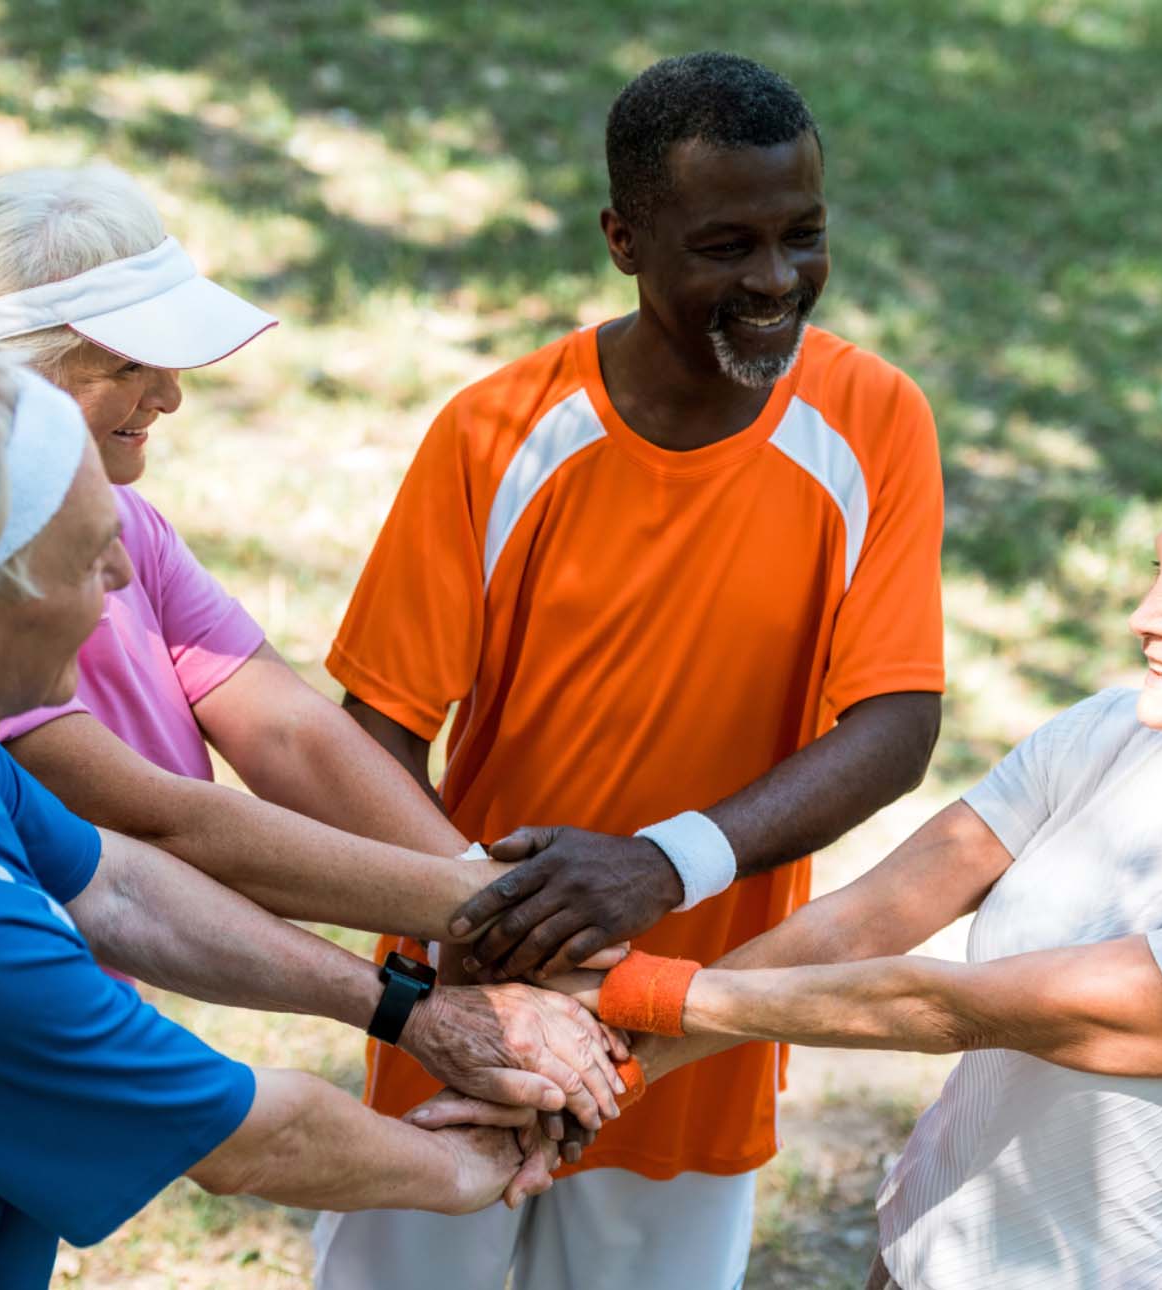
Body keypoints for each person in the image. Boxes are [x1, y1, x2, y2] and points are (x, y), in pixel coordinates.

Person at [0, 343, 589, 1289]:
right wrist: (483, 1166)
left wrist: (404, 1011)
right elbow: (252, 1140)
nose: (123, 581)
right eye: (90, 559)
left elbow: (117, 886)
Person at [316, 51, 946, 1288]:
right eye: (725, 245)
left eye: (803, 235)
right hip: (473, 1008)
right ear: (624, 237)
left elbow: (896, 722)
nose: (776, 281)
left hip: (694, 1022)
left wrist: (663, 866)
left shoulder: (875, 422)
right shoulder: (496, 432)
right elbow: (373, 732)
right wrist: (475, 945)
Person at [558, 432, 1162, 1289]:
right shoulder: (1114, 731)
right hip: (913, 1257)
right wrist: (607, 1074)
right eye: (1160, 570)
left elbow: (953, 1009)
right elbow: (871, 917)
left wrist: (636, 992)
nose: (1144, 615)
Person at [0, 165, 630, 1148]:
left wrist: (480, 906)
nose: (168, 395)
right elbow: (160, 826)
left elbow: (285, 729)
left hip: (54, 986)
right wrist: (489, 917)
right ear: (10, 373)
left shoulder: (122, 519)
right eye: (127, 366)